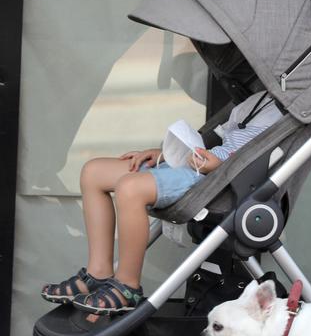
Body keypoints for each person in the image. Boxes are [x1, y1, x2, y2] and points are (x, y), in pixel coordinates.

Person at [41, 89, 283, 314]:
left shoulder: (285, 115)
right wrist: (165, 155)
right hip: (195, 164)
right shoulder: (259, 100)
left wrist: (216, 163)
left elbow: (251, 161)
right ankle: (98, 272)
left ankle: (127, 285)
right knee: (93, 172)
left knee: (130, 188)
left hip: (216, 182)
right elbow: (214, 140)